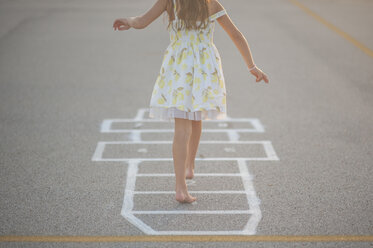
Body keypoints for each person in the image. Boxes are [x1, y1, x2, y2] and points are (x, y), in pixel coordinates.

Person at [113, 0, 269, 204]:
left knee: (183, 126)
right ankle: (186, 173)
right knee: (196, 116)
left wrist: (129, 21)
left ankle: (184, 179)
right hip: (204, 67)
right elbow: (236, 35)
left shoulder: (170, 1)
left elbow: (142, 21)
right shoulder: (210, 3)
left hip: (179, 66)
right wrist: (251, 66)